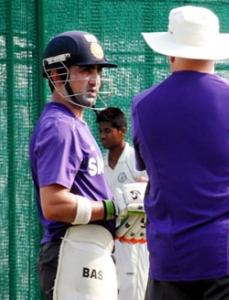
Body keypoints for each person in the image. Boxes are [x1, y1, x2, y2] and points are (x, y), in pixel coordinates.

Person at [132, 6, 229, 300]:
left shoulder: (143, 105)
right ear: (215, 51)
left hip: (169, 266)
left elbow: (146, 164)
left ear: (170, 52)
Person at [29, 31, 120, 299]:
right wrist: (112, 208)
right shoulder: (60, 126)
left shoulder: (72, 122)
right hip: (72, 251)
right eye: (85, 70)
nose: (95, 80)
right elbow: (54, 204)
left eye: (98, 71)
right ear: (56, 75)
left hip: (85, 252)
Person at [96, 107, 149, 300]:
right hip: (110, 239)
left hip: (136, 240)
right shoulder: (100, 163)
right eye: (100, 131)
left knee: (134, 289)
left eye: (108, 130)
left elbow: (150, 190)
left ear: (122, 131)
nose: (103, 136)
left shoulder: (135, 159)